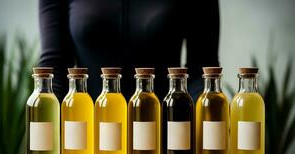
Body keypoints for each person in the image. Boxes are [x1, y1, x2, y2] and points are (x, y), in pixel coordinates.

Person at [39, 0, 219, 101]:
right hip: (86, 144)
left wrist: (204, 133)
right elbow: (54, 69)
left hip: (167, 143)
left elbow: (202, 72)